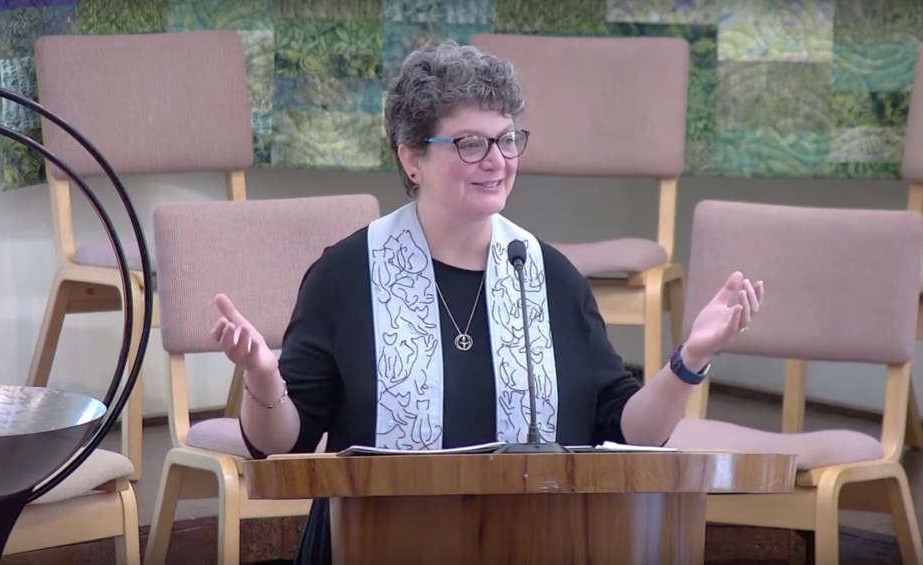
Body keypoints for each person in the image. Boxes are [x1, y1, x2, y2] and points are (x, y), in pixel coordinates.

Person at [210, 41, 764, 564]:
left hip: (536, 543)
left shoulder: (549, 277)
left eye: (507, 139)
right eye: (471, 144)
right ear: (411, 159)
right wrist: (263, 375)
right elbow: (282, 443)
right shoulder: (347, 275)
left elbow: (625, 432)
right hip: (379, 544)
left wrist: (689, 360)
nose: (497, 161)